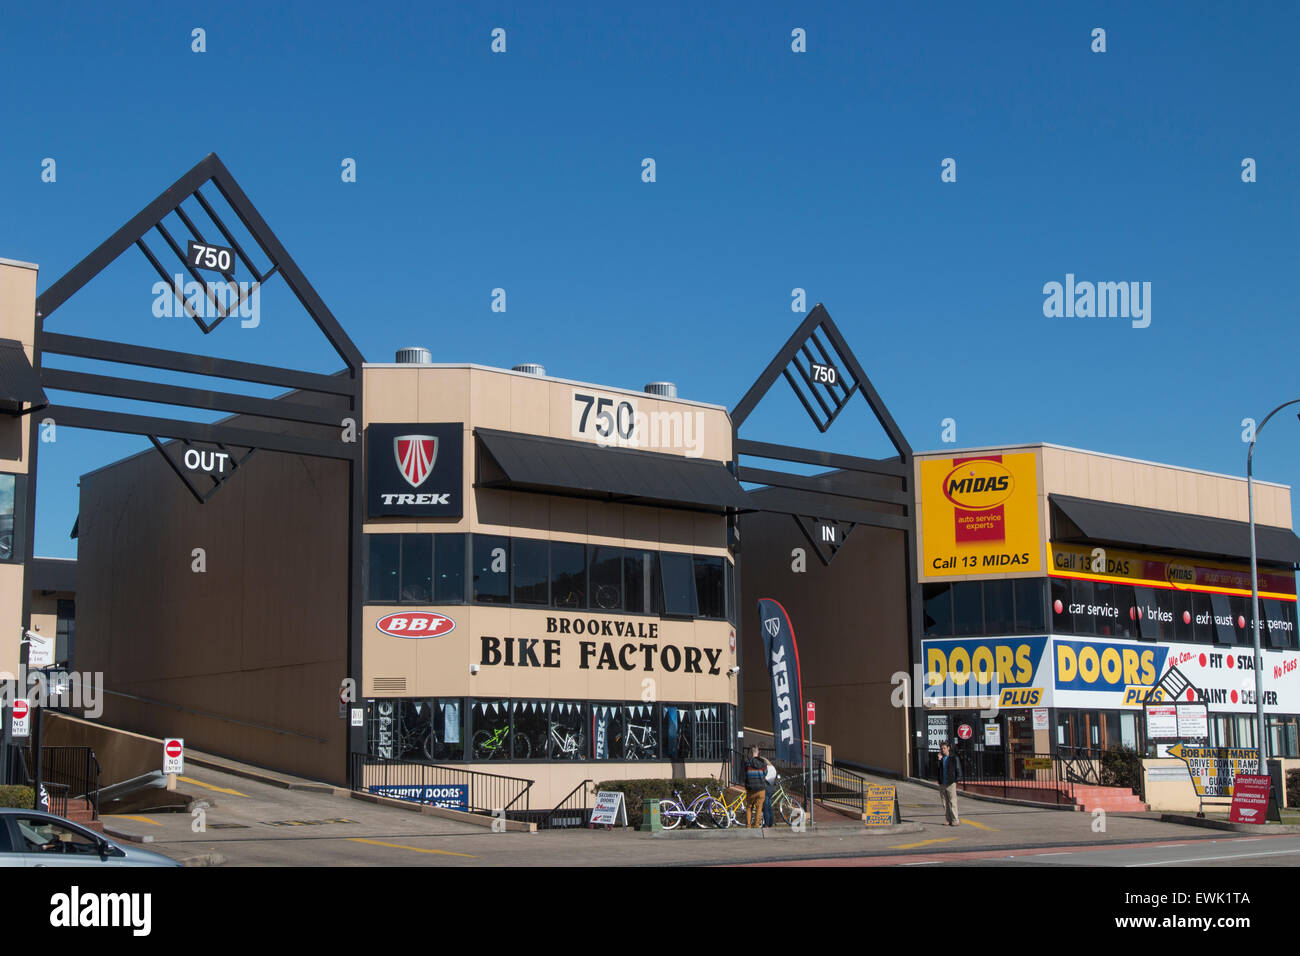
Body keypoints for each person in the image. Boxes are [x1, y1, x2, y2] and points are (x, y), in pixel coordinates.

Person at [936, 742, 961, 826]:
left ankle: (955, 819)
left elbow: (958, 768)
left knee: (952, 801)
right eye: (941, 748)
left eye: (944, 748)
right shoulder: (941, 759)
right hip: (943, 782)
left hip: (950, 782)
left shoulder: (953, 758)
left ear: (948, 748)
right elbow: (938, 770)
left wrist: (957, 779)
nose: (943, 750)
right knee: (945, 802)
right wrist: (939, 761)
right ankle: (948, 819)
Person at [743, 745, 767, 828]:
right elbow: (765, 773)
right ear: (758, 751)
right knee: (759, 807)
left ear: (751, 752)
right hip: (761, 788)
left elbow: (745, 773)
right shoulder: (763, 762)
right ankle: (757, 824)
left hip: (750, 788)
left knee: (749, 807)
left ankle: (748, 825)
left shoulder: (747, 763)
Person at [762, 757, 778, 827]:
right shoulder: (773, 768)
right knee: (769, 806)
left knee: (765, 806)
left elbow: (764, 778)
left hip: (766, 788)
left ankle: (767, 823)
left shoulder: (765, 768)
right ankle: (771, 822)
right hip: (772, 788)